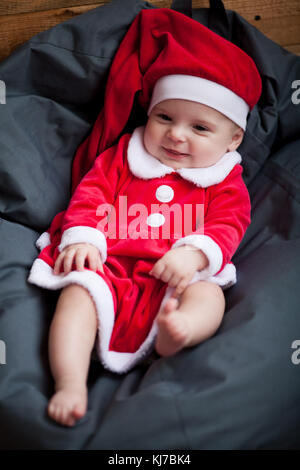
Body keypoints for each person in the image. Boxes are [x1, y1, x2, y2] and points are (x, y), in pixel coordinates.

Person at [28, 8, 262, 427]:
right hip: (111, 265)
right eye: (165, 117)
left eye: (200, 128)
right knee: (77, 296)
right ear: (148, 115)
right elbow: (91, 192)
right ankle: (70, 381)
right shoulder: (124, 155)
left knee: (210, 296)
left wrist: (194, 254)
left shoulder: (224, 179)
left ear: (234, 140)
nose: (176, 134)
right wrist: (83, 237)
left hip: (178, 276)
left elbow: (229, 224)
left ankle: (181, 330)